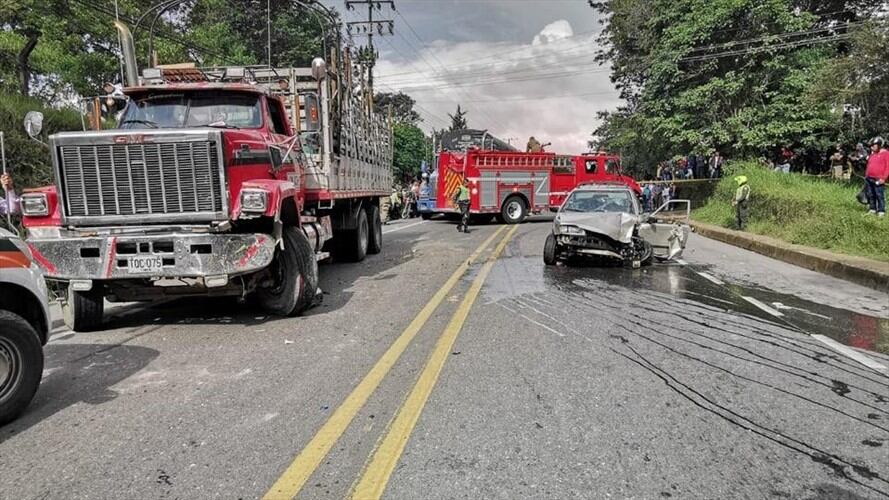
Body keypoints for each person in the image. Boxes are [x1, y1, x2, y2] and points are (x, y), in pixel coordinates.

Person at [865, 136, 888, 217]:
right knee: (871, 194)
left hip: (878, 178)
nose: (871, 147)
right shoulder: (872, 154)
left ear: (879, 145)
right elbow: (869, 165)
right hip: (869, 178)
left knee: (879, 194)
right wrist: (866, 175)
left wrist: (883, 178)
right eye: (871, 146)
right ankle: (872, 209)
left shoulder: (886, 154)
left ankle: (881, 210)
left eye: (873, 145)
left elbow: (887, 167)